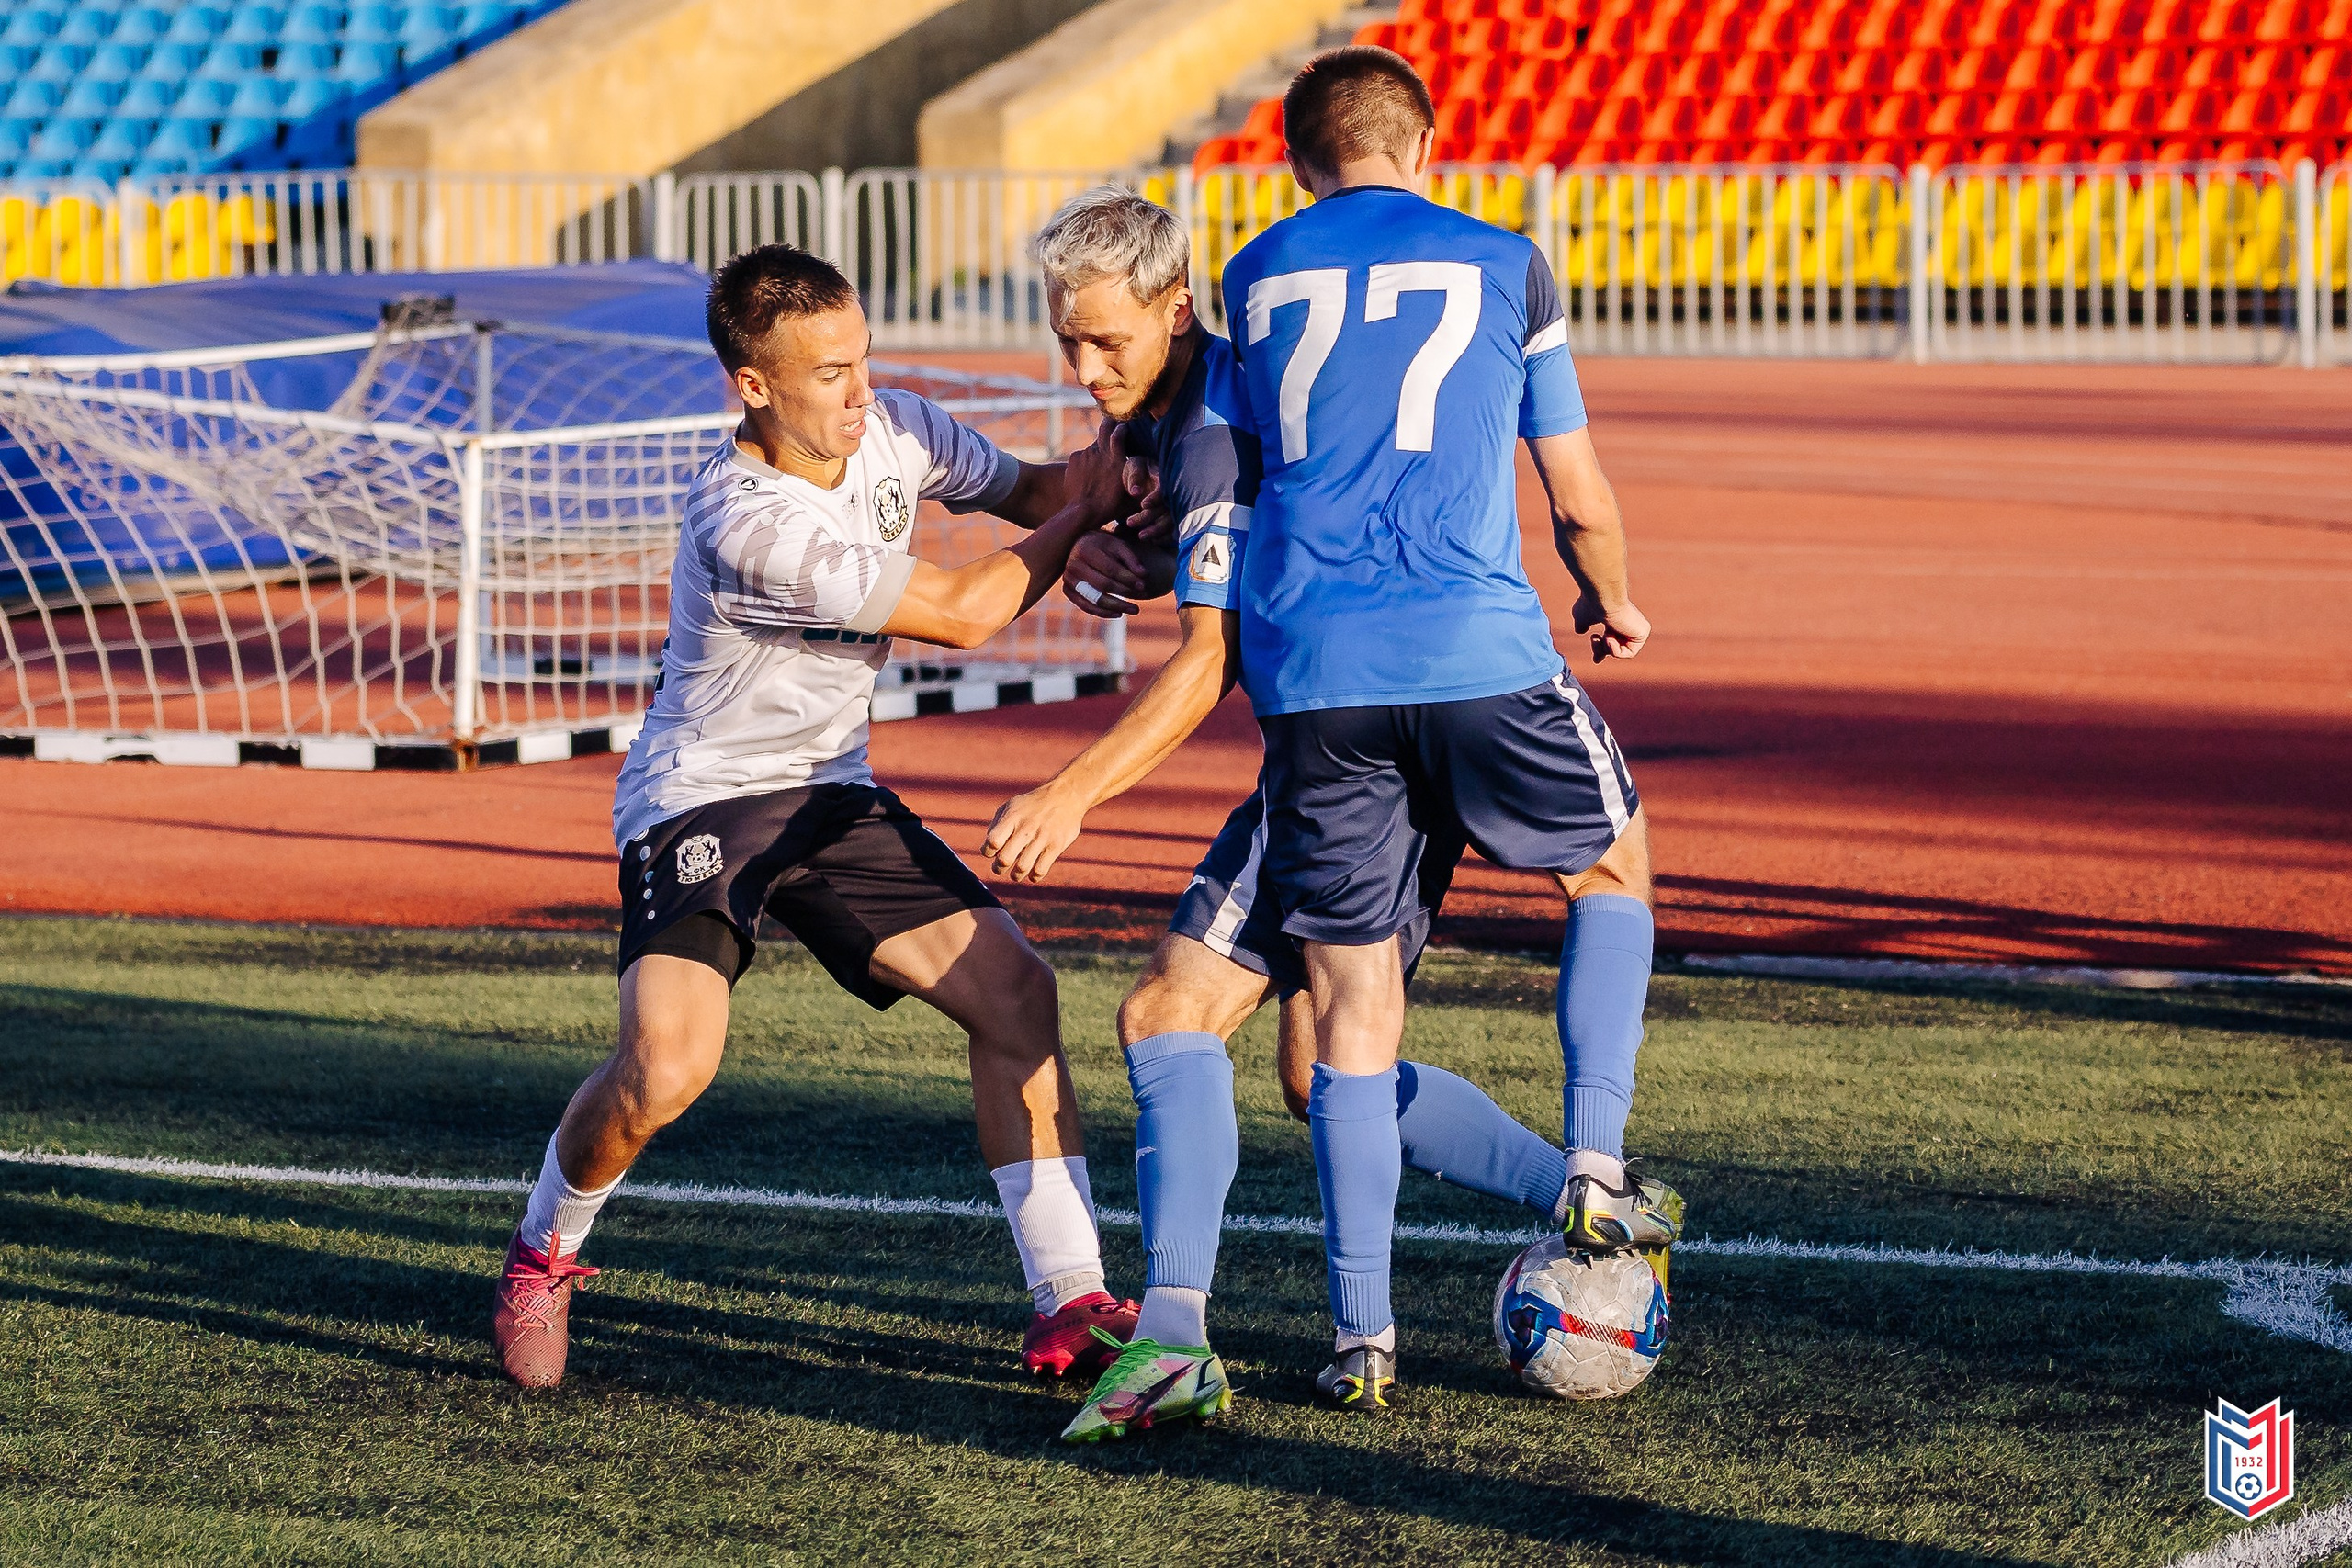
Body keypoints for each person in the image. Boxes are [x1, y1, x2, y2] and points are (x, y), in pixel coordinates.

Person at [977, 187, 1589, 1443]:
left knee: (1168, 1013)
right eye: (1068, 340)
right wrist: (1123, 545)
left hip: (1346, 752)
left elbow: (1210, 660)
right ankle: (1592, 1203)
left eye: (1107, 341)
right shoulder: (1181, 407)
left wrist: (1071, 790)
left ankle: (1176, 1338)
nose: (1085, 368)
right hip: (1369, 730)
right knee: (1321, 1075)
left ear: (1176, 310)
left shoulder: (1204, 429)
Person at [490, 243, 1141, 1389]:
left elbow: (1043, 493)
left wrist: (1140, 458)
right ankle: (544, 1252)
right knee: (666, 1071)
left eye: (864, 359)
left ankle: (1071, 1301)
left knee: (1016, 993)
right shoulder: (745, 522)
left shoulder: (896, 429)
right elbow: (966, 609)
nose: (860, 392)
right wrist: (1095, 513)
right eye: (830, 373)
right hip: (701, 797)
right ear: (754, 385)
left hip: (831, 790)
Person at [1223, 45, 1683, 1415]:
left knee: (1349, 1010)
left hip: (1312, 671)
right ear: (1425, 145)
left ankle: (1362, 1338)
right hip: (1473, 646)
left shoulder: (1253, 276)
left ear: (1296, 161)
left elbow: (1234, 470)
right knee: (1610, 866)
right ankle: (1591, 1164)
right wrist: (1609, 598)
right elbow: (1577, 493)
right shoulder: (1507, 261)